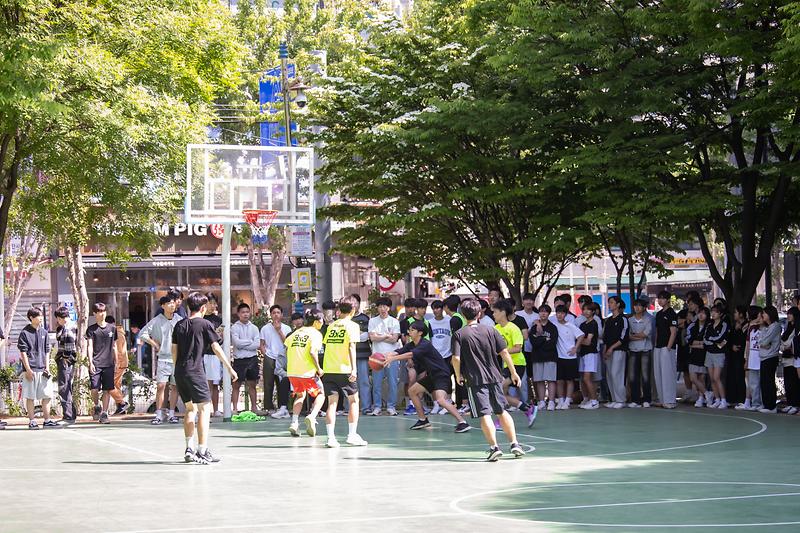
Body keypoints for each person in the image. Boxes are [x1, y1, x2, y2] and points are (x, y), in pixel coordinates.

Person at [452, 299, 526, 461]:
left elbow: (456, 359)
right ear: (479, 313)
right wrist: (513, 372)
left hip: (475, 380)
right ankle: (515, 443)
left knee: (484, 413)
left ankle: (494, 448)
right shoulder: (491, 330)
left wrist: (458, 375)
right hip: (495, 376)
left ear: (463, 315)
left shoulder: (459, 334)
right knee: (501, 411)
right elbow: (505, 352)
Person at [171, 292, 239, 464]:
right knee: (204, 409)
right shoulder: (205, 324)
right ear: (202, 308)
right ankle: (202, 449)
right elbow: (216, 347)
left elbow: (174, 351)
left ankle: (189, 447)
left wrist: (177, 369)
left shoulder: (179, 325)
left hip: (180, 371)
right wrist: (229, 367)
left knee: (189, 409)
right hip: (196, 371)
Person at [384, 321, 471, 432]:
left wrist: (393, 358)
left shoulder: (425, 344)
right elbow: (400, 350)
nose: (409, 332)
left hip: (441, 374)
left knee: (440, 400)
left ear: (420, 333)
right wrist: (387, 355)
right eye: (409, 329)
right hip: (431, 375)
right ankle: (423, 419)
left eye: (412, 330)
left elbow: (411, 354)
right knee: (412, 391)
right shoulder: (412, 344)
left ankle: (462, 422)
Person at [321, 296, 368, 447]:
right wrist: (354, 369)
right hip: (344, 369)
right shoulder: (352, 326)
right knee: (354, 401)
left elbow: (328, 346)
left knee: (332, 404)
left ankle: (330, 438)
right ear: (353, 310)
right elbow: (351, 347)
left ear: (339, 311)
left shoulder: (331, 326)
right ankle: (352, 435)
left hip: (329, 369)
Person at [140, 295, 183, 425]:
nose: (172, 305)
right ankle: (159, 414)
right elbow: (143, 334)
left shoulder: (180, 320)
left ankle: (171, 414)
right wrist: (155, 344)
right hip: (163, 358)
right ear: (162, 306)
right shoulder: (156, 321)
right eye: (169, 303)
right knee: (161, 386)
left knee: (175, 387)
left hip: (177, 358)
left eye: (173, 303)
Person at [284, 309, 326, 437]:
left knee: (300, 395)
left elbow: (286, 349)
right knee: (321, 394)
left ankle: (294, 423)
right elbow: (313, 352)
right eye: (321, 320)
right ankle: (312, 416)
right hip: (307, 372)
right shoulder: (316, 334)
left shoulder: (295, 334)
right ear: (317, 322)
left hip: (292, 372)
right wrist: (319, 368)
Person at [492, 300, 534, 425]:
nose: (493, 314)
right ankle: (526, 409)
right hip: (506, 365)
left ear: (503, 313)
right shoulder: (496, 328)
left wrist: (501, 352)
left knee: (498, 390)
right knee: (501, 394)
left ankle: (502, 419)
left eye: (495, 312)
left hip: (517, 364)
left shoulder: (513, 328)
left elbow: (517, 348)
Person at [18, 307, 56, 429]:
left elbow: (47, 351)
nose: (41, 318)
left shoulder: (44, 332)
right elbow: (23, 353)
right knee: (30, 396)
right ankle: (32, 421)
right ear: (31, 318)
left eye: (41, 316)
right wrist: (28, 369)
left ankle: (47, 420)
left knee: (47, 395)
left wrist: (47, 367)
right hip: (30, 370)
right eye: (38, 316)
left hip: (43, 370)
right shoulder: (24, 333)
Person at [86, 302, 118, 424]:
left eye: (103, 311)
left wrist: (116, 362)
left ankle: (104, 413)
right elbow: (89, 346)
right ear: (94, 314)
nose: (102, 314)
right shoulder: (91, 329)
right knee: (94, 389)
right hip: (96, 363)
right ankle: (96, 405)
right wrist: (90, 362)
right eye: (99, 312)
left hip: (109, 364)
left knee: (107, 390)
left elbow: (114, 346)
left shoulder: (112, 329)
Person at [368, 297, 401, 416]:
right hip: (376, 357)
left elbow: (394, 339)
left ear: (389, 307)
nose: (383, 309)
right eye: (380, 306)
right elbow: (372, 338)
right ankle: (377, 407)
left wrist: (380, 336)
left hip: (391, 356)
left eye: (385, 306)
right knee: (376, 384)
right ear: (377, 307)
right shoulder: (372, 321)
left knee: (392, 383)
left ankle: (391, 406)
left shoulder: (394, 321)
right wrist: (386, 336)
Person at [260, 304, 292, 418]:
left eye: (278, 312)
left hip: (282, 357)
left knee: (282, 382)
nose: (276, 315)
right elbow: (262, 344)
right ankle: (268, 407)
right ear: (271, 315)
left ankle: (282, 407)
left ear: (282, 315)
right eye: (274, 313)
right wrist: (266, 354)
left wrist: (279, 331)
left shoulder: (287, 328)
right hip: (270, 357)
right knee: (268, 383)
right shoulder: (265, 328)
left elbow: (288, 343)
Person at [553, 304, 585, 410]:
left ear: (565, 314)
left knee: (570, 380)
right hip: (558, 357)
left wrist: (575, 348)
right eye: (558, 313)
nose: (559, 315)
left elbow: (581, 335)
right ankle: (561, 401)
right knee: (559, 380)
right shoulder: (553, 325)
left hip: (570, 357)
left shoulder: (570, 325)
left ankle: (567, 401)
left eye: (562, 313)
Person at [231, 303, 261, 415]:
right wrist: (249, 342)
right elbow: (237, 343)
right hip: (239, 360)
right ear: (238, 314)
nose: (245, 314)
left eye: (247, 312)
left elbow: (257, 344)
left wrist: (245, 344)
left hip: (252, 359)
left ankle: (254, 408)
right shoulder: (234, 327)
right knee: (236, 385)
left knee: (252, 385)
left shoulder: (254, 328)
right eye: (243, 312)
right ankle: (234, 409)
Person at [530, 304, 559, 411]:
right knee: (539, 380)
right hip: (537, 356)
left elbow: (552, 343)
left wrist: (540, 339)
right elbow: (534, 342)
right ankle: (541, 401)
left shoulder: (553, 328)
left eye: (545, 311)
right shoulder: (534, 328)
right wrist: (544, 339)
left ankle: (551, 401)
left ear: (548, 314)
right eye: (541, 311)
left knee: (551, 380)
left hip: (550, 356)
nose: (543, 313)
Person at [444, 294, 470, 413]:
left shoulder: (454, 319)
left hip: (461, 353)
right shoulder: (460, 317)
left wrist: (454, 355)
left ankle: (464, 403)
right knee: (457, 376)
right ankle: (459, 402)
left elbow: (456, 338)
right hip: (463, 351)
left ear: (446, 307)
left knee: (459, 376)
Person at [428, 299, 455, 415]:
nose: (436, 310)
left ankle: (447, 403)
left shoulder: (449, 321)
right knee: (434, 380)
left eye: (438, 308)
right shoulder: (429, 322)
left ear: (443, 309)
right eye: (434, 308)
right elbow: (429, 339)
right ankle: (436, 404)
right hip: (435, 356)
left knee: (447, 380)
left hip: (447, 354)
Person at [654, 291, 679, 408]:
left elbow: (673, 332)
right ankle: (662, 398)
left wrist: (668, 347)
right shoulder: (658, 314)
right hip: (658, 347)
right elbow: (658, 331)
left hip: (667, 347)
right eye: (659, 298)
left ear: (668, 300)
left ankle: (670, 400)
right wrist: (656, 345)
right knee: (658, 373)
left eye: (663, 298)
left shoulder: (672, 313)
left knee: (668, 374)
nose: (660, 301)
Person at [602, 296, 629, 408]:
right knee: (609, 375)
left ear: (618, 304)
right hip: (608, 351)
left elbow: (623, 337)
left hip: (619, 350)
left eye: (612, 302)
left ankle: (621, 400)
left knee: (616, 373)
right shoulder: (608, 320)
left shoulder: (623, 319)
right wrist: (605, 350)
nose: (610, 304)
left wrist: (611, 348)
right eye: (609, 303)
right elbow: (605, 338)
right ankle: (613, 399)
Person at [54, 306, 78, 425]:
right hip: (68, 360)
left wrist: (64, 358)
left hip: (66, 361)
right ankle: (70, 414)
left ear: (59, 318)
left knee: (64, 387)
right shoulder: (69, 326)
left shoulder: (68, 328)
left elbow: (69, 344)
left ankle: (68, 416)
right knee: (67, 386)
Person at [736, 306, 764, 411]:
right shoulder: (751, 328)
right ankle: (756, 403)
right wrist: (747, 359)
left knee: (762, 382)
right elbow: (748, 344)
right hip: (752, 358)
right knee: (753, 383)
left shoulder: (764, 327)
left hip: (761, 357)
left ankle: (763, 403)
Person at [350, 294, 373, 415]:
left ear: (359, 303)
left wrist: (353, 336)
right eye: (350, 302)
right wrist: (358, 333)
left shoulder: (365, 318)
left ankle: (366, 407)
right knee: (349, 383)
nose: (353, 304)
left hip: (363, 355)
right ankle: (349, 408)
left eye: (355, 302)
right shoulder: (345, 319)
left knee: (364, 381)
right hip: (348, 357)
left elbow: (365, 336)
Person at [202, 293, 224, 416]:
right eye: (211, 303)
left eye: (215, 303)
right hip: (202, 354)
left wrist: (218, 334)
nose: (213, 306)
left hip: (214, 354)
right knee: (205, 383)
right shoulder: (200, 318)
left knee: (215, 384)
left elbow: (220, 338)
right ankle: (204, 410)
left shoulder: (218, 320)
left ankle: (215, 410)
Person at [627, 299, 652, 408]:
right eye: (635, 306)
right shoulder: (629, 320)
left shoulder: (648, 320)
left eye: (639, 306)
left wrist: (635, 335)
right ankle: (635, 400)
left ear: (644, 308)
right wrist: (639, 335)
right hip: (633, 350)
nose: (637, 308)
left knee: (645, 376)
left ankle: (647, 399)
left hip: (645, 350)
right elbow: (628, 336)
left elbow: (645, 334)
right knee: (633, 376)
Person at [704, 304, 729, 409]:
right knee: (711, 378)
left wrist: (711, 340)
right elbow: (705, 338)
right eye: (712, 311)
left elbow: (721, 338)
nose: (713, 314)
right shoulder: (709, 325)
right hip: (709, 353)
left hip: (719, 354)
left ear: (720, 314)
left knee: (716, 377)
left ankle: (723, 400)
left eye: (715, 312)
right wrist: (712, 341)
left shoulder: (724, 325)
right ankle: (717, 399)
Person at [757, 305, 782, 413]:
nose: (763, 315)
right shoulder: (766, 327)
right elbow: (760, 341)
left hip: (771, 357)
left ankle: (771, 406)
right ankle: (766, 404)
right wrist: (763, 343)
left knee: (769, 381)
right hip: (764, 357)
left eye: (765, 313)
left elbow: (765, 342)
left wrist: (763, 343)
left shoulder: (775, 326)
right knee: (764, 381)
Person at [577, 303, 600, 409]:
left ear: (593, 311)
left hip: (591, 353)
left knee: (587, 378)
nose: (586, 311)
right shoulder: (582, 324)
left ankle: (594, 401)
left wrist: (579, 341)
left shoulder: (593, 324)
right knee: (583, 378)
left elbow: (588, 342)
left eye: (588, 310)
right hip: (583, 353)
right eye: (584, 309)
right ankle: (588, 399)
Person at [106, 317, 130, 416]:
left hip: (119, 363)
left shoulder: (117, 334)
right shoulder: (117, 332)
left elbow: (119, 351)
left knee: (109, 385)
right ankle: (121, 408)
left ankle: (122, 403)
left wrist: (116, 364)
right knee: (116, 385)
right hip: (120, 363)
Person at [726, 305, 748, 409]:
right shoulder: (733, 326)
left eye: (736, 312)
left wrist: (740, 330)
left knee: (740, 377)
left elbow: (746, 341)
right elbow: (729, 339)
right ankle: (732, 398)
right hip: (733, 355)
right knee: (732, 376)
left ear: (741, 314)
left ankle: (741, 399)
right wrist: (731, 346)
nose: (734, 314)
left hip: (741, 355)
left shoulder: (746, 326)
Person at [687, 307, 710, 407]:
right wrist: (699, 343)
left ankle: (701, 398)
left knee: (702, 378)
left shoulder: (709, 326)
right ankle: (707, 393)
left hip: (703, 355)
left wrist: (698, 343)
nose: (701, 315)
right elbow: (690, 342)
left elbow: (706, 344)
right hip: (693, 355)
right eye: (700, 313)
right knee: (693, 378)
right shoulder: (693, 326)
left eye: (704, 313)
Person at [779, 308, 799, 414]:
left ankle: (795, 404)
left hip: (792, 359)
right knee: (787, 382)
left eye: (790, 314)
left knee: (793, 382)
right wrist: (784, 347)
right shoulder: (788, 327)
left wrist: (786, 346)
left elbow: (790, 343)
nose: (788, 316)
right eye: (788, 314)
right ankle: (790, 403)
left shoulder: (796, 328)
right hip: (785, 359)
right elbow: (782, 344)